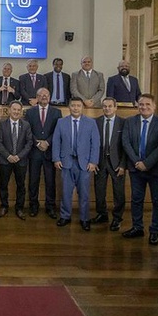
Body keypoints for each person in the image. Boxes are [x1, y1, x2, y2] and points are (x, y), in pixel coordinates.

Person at [121, 93, 158, 245]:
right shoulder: (130, 121)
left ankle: (155, 231)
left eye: (148, 104)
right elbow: (126, 142)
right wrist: (137, 162)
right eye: (141, 104)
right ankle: (137, 227)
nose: (144, 107)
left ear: (154, 106)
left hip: (156, 169)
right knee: (136, 199)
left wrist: (147, 163)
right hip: (136, 169)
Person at [52, 97, 100, 231]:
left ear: (82, 107)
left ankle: (84, 218)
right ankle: (65, 216)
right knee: (66, 192)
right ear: (69, 107)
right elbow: (56, 141)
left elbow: (95, 144)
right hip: (66, 162)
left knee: (84, 193)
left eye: (78, 105)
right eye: (73, 105)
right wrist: (56, 159)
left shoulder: (91, 123)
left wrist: (93, 161)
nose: (76, 108)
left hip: (84, 164)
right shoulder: (61, 122)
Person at [24, 88, 62, 218]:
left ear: (50, 97)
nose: (44, 97)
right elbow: (27, 131)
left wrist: (47, 142)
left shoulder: (57, 112)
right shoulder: (30, 112)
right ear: (37, 97)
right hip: (34, 152)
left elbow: (58, 131)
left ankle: (50, 207)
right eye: (41, 95)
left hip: (49, 152)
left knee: (50, 181)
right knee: (33, 181)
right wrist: (37, 143)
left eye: (46, 95)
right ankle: (33, 206)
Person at [93, 97, 127, 231]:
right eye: (105, 106)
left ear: (115, 107)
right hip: (100, 161)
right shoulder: (96, 122)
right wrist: (93, 161)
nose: (107, 108)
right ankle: (102, 214)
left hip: (117, 162)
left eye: (110, 106)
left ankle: (117, 218)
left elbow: (125, 146)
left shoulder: (123, 123)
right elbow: (92, 143)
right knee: (99, 190)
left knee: (118, 192)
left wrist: (123, 165)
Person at [0, 101, 32, 220]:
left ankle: (19, 208)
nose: (16, 112)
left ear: (21, 112)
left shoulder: (26, 125)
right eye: (14, 109)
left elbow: (29, 143)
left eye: (18, 110)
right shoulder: (2, 124)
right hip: (5, 160)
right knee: (3, 185)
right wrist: (8, 156)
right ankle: (4, 206)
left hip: (20, 161)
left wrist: (19, 156)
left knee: (21, 185)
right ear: (9, 110)